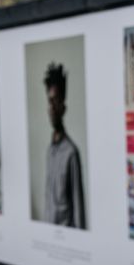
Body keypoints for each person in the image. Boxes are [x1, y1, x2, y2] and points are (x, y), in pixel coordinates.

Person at [42, 63, 85, 229]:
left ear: (63, 107)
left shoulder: (71, 153)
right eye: (49, 101)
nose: (52, 107)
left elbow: (78, 209)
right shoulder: (49, 151)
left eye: (56, 101)